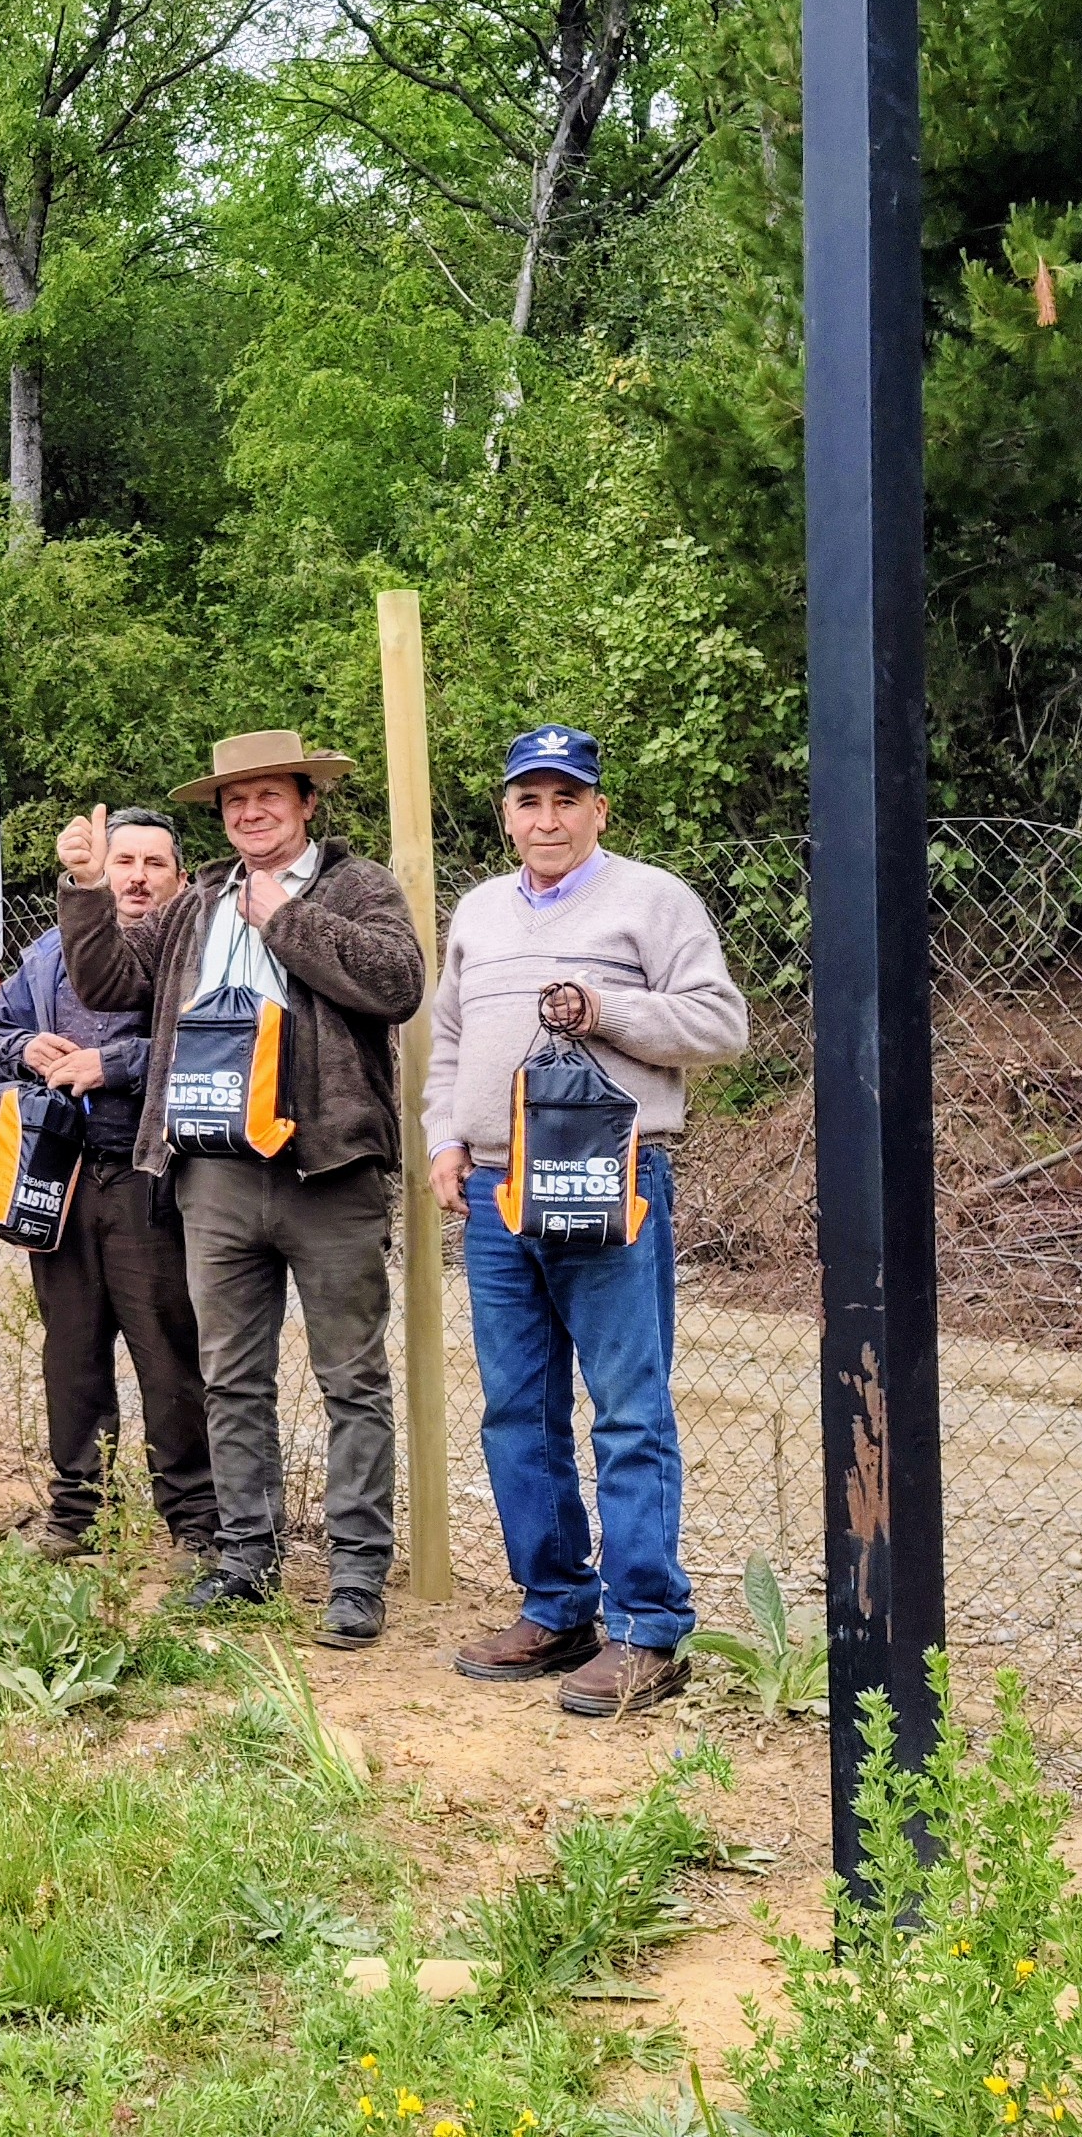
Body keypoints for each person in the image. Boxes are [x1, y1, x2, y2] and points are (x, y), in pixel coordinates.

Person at [58, 729, 429, 1651]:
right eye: (234, 802)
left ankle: (354, 1576)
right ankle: (246, 1558)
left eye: (269, 796)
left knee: (351, 1377)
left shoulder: (357, 887)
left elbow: (397, 986)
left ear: (307, 802)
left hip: (326, 1166)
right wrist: (85, 888)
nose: (250, 813)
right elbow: (111, 982)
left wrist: (285, 920)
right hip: (214, 1171)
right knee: (229, 1376)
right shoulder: (199, 900)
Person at [426, 726, 751, 1718]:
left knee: (626, 1407)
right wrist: (445, 1137)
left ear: (599, 810)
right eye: (529, 800)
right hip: (494, 1192)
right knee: (517, 1411)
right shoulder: (478, 912)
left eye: (567, 799)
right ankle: (556, 1605)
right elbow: (447, 1039)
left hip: (611, 1179)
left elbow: (722, 1024)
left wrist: (605, 1007)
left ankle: (648, 1628)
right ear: (506, 813)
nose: (548, 818)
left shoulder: (653, 901)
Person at [0, 807, 215, 1558]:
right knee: (72, 1353)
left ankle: (195, 1525)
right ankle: (77, 1516)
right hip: (61, 1179)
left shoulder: (198, 952)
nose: (138, 878)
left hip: (153, 1180)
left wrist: (116, 1064)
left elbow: (210, 1050)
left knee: (169, 1353)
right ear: (101, 872)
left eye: (155, 865)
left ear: (180, 881)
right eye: (125, 862)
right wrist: (26, 1047)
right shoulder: (47, 953)